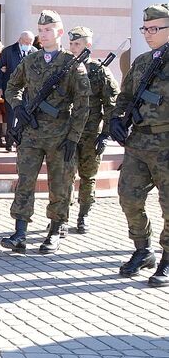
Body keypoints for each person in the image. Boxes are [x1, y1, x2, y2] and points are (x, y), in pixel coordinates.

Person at [1, 10, 90, 254]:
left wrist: (74, 137)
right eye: (40, 31)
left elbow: (83, 105)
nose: (43, 34)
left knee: (60, 184)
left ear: (59, 32)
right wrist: (18, 107)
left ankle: (54, 232)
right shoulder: (30, 60)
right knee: (25, 181)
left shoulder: (72, 64)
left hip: (60, 134)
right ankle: (20, 232)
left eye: (48, 30)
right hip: (32, 131)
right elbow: (12, 87)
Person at [110, 4, 169, 286]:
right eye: (145, 28)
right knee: (128, 196)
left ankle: (167, 258)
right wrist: (116, 119)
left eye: (155, 28)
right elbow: (126, 95)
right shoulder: (143, 61)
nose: (148, 33)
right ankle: (143, 249)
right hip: (139, 141)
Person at [67, 26, 118, 234]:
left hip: (90, 134)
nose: (73, 48)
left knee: (88, 176)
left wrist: (105, 134)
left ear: (88, 45)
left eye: (77, 44)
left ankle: (83, 216)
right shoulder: (66, 68)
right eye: (71, 44)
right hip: (68, 132)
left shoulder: (100, 71)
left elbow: (111, 104)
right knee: (65, 176)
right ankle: (61, 217)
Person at [0, 30, 36, 151]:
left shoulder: (35, 52)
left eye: (30, 42)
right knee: (11, 116)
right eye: (26, 42)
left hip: (29, 91)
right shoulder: (8, 51)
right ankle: (9, 142)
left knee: (25, 115)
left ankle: (21, 142)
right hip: (12, 89)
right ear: (20, 40)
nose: (28, 44)